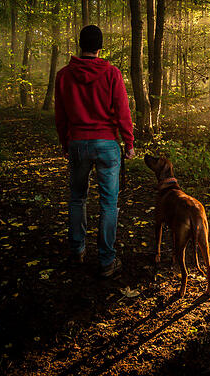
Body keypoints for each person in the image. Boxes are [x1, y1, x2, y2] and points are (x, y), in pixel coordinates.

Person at [54, 25, 134, 277]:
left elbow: (61, 115)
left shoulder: (64, 75)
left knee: (78, 198)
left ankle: (77, 250)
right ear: (100, 47)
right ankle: (106, 261)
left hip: (78, 142)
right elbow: (123, 111)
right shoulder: (112, 73)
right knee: (109, 202)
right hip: (107, 144)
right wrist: (129, 143)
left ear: (80, 45)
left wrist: (65, 143)